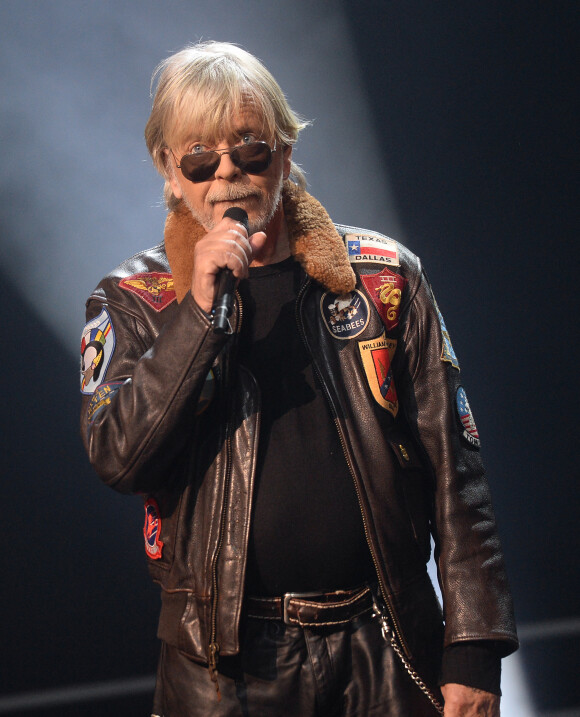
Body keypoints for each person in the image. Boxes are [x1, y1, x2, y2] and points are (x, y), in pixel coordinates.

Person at [80, 41, 518, 716]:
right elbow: (120, 455)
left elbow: (457, 473)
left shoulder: (385, 277)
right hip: (224, 669)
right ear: (169, 170)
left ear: (284, 154)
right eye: (200, 157)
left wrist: (474, 649)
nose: (226, 173)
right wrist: (200, 315)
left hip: (387, 641)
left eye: (249, 149)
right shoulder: (134, 301)